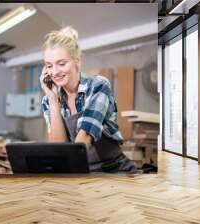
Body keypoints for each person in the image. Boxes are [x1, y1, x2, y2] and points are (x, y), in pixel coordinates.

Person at [39, 26, 137, 173]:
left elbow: (84, 139)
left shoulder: (97, 86)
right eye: (49, 66)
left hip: (114, 170)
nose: (55, 72)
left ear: (77, 61)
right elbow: (58, 148)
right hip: (81, 170)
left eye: (61, 64)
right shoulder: (48, 100)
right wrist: (53, 100)